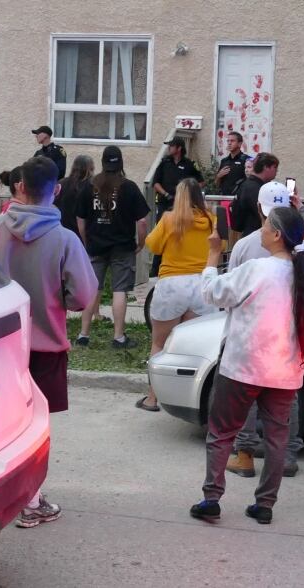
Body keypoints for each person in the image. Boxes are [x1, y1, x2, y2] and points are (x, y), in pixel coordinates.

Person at [0, 155, 98, 528]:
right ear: (57, 190)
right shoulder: (64, 239)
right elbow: (83, 296)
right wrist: (55, 300)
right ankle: (30, 501)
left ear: (19, 187)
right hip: (44, 348)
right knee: (34, 428)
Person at [189, 206, 304, 525]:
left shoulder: (258, 269)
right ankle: (265, 505)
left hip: (242, 366)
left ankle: (212, 498)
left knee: (221, 433)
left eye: (265, 225)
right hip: (285, 370)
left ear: (276, 235)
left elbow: (211, 293)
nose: (260, 229)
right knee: (277, 438)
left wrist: (211, 257)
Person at [225, 182, 304, 479]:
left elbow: (228, 293)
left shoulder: (246, 244)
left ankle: (245, 455)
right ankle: (287, 455)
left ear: (259, 209)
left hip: (251, 338)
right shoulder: (303, 249)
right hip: (289, 339)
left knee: (246, 398)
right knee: (286, 400)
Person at [139, 178, 219, 411]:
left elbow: (152, 245)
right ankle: (190, 402)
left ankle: (152, 399)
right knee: (196, 347)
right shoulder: (212, 220)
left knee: (160, 343)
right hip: (201, 284)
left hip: (172, 284)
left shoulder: (169, 219)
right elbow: (219, 247)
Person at [76, 146, 150, 348]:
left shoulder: (89, 186)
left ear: (103, 163)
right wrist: (141, 243)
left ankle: (83, 334)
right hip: (122, 247)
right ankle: (118, 337)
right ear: (121, 163)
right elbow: (142, 222)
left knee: (92, 289)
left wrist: (85, 242)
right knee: (119, 290)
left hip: (95, 245)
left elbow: (80, 219)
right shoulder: (129, 187)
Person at [150, 136, 204, 277]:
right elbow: (155, 183)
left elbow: (200, 182)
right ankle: (155, 270)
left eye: (171, 146)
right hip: (165, 203)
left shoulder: (189, 164)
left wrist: (188, 194)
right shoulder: (164, 163)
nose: (169, 148)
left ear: (179, 148)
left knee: (181, 233)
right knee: (162, 233)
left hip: (183, 205)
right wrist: (166, 194)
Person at [229, 152, 279, 238]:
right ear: (266, 167)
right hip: (256, 236)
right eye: (275, 167)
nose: (276, 171)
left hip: (252, 234)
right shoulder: (255, 188)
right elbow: (264, 216)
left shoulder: (249, 185)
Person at [56, 154, 95, 238]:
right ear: (91, 168)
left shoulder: (61, 184)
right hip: (84, 235)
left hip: (64, 233)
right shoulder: (91, 187)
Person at [215, 131, 250, 196]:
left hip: (239, 199)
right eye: (228, 141)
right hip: (224, 198)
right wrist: (218, 176)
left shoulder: (246, 160)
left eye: (232, 141)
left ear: (239, 143)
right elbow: (216, 184)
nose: (229, 143)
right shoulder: (224, 161)